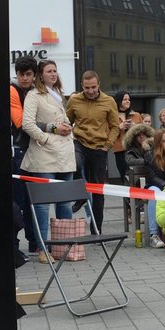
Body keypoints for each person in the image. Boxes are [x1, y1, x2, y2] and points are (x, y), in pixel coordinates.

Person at [21, 60, 76, 264]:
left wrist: (69, 128)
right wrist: (47, 136)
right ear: (40, 75)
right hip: (44, 155)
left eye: (55, 70)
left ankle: (64, 246)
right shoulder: (34, 95)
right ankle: (43, 248)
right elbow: (27, 123)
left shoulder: (59, 94)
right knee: (43, 205)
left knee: (65, 202)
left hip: (64, 154)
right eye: (49, 71)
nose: (53, 74)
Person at [65, 70, 119, 233]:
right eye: (87, 87)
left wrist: (107, 145)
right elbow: (67, 121)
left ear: (98, 85)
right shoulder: (74, 100)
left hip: (99, 147)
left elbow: (115, 126)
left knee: (98, 190)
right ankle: (80, 196)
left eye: (93, 87)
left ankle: (97, 229)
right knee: (75, 163)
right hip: (79, 143)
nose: (90, 91)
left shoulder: (108, 101)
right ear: (82, 85)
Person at [9, 56, 37, 260]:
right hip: (19, 149)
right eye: (21, 74)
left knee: (33, 201)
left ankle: (35, 243)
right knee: (18, 200)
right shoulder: (12, 90)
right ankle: (14, 245)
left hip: (36, 149)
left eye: (28, 74)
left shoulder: (38, 91)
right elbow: (20, 122)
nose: (24, 78)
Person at [112, 90, 141, 182]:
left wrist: (134, 127)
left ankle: (138, 195)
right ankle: (126, 196)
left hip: (136, 149)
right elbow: (107, 133)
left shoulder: (136, 115)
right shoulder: (112, 116)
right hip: (120, 150)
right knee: (124, 175)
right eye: (125, 99)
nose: (128, 101)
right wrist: (119, 127)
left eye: (129, 99)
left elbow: (144, 132)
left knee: (137, 174)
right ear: (118, 101)